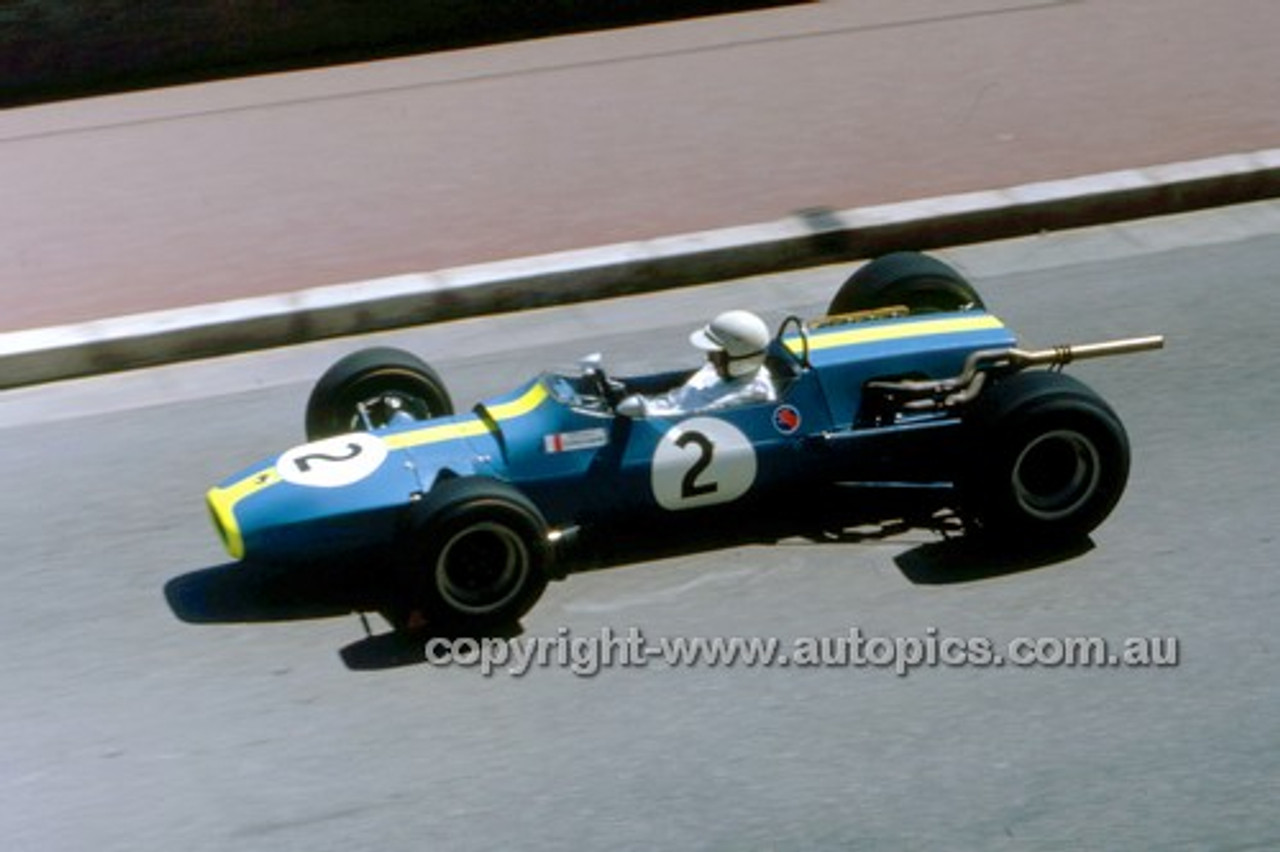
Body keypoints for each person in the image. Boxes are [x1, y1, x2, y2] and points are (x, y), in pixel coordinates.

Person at [619, 310, 777, 417]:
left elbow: (689, 415)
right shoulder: (724, 370)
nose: (710, 360)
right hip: (665, 406)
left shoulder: (751, 395)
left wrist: (644, 410)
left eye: (716, 355)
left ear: (740, 359)